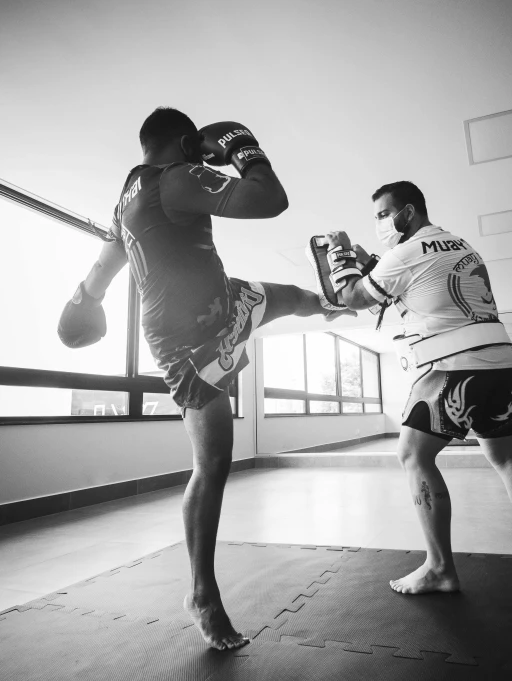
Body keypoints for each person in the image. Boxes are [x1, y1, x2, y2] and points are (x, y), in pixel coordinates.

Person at [57, 108, 354, 650]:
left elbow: (101, 270)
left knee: (288, 298)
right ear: (181, 142)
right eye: (193, 146)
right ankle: (201, 593)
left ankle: (331, 305)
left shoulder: (128, 196)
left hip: (221, 298)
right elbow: (269, 198)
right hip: (185, 339)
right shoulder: (176, 176)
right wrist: (243, 146)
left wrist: (87, 301)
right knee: (214, 461)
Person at [323, 180, 512, 595]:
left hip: (454, 364)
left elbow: (353, 297)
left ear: (409, 211)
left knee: (413, 456)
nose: (381, 222)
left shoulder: (405, 253)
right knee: (506, 457)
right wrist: (373, 261)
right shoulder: (460, 244)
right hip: (499, 362)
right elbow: (417, 287)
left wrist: (339, 253)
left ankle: (439, 569)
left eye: (384, 214)